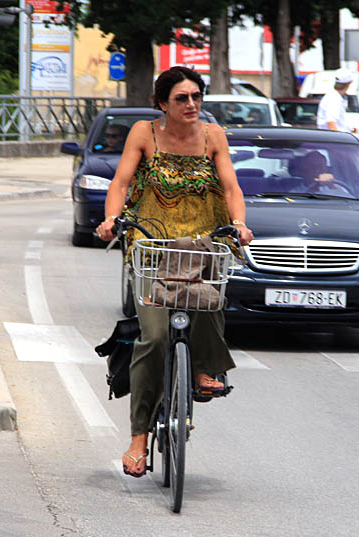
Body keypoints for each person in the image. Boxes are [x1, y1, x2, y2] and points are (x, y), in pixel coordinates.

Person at [95, 66, 254, 478]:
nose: (191, 105)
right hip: (152, 244)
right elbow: (121, 182)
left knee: (209, 299)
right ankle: (137, 438)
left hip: (203, 244)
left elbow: (231, 187)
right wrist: (113, 217)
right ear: (162, 103)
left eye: (197, 97)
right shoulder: (144, 134)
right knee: (155, 336)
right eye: (182, 98)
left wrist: (238, 223)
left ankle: (203, 368)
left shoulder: (213, 137)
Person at [317, 69, 355, 133]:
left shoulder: (333, 96)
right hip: (334, 139)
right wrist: (337, 140)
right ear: (347, 84)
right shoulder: (334, 98)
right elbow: (331, 123)